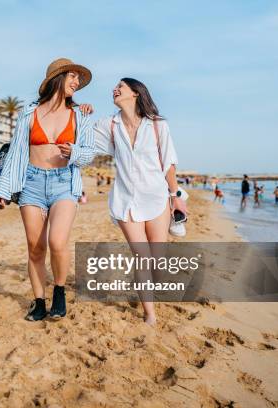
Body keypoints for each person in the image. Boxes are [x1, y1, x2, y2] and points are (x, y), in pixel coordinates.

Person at [0, 58, 95, 321]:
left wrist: (74, 152)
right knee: (35, 248)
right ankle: (39, 301)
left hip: (64, 183)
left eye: (78, 79)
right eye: (72, 77)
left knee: (57, 242)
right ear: (56, 79)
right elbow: (16, 152)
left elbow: (89, 155)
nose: (76, 83)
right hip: (31, 183)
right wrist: (4, 190)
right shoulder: (29, 113)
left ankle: (59, 291)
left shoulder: (80, 114)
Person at [90, 77, 185, 326]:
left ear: (134, 93)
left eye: (120, 86)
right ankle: (149, 313)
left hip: (156, 198)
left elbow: (169, 163)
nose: (115, 89)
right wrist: (79, 110)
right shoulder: (108, 125)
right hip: (125, 200)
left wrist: (176, 197)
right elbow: (81, 134)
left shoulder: (157, 125)